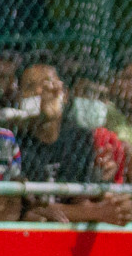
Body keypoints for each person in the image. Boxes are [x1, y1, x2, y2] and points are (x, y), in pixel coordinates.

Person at [15, 57, 132, 226]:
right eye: (31, 87)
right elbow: (28, 208)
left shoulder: (80, 138)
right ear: (19, 96)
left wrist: (106, 191)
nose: (42, 93)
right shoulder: (15, 139)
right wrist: (97, 212)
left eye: (49, 85)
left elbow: (79, 201)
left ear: (65, 95)